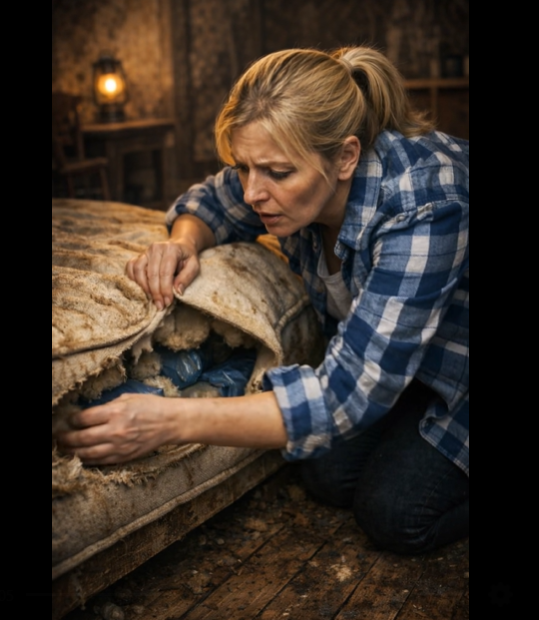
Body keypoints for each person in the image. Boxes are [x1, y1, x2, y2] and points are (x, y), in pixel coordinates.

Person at [56, 45, 469, 556]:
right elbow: (212, 199)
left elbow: (346, 396)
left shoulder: (424, 208)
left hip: (461, 377)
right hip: (406, 366)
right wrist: (183, 243)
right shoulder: (286, 170)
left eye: (276, 172)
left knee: (393, 514)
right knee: (324, 473)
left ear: (346, 157)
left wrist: (167, 419)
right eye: (244, 166)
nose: (253, 193)